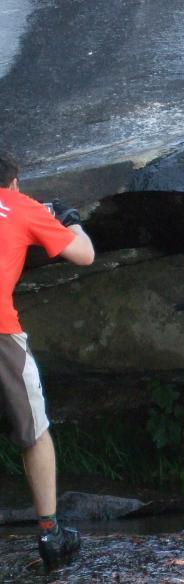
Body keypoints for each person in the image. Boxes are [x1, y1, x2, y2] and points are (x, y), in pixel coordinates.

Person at [0, 151, 95, 570]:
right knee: (34, 432)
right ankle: (50, 533)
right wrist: (69, 218)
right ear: (14, 180)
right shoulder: (22, 206)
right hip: (0, 331)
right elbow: (84, 255)